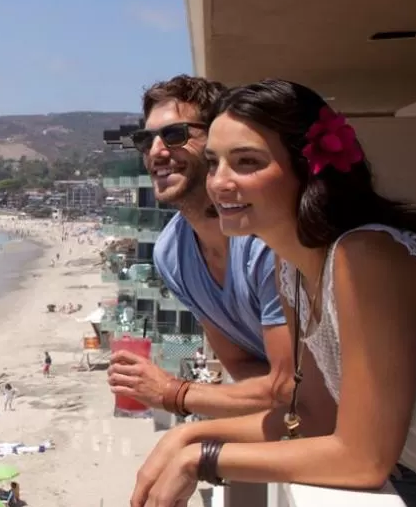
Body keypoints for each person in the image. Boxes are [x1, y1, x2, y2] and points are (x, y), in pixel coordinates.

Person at [129, 79, 416, 507]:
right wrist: (183, 440)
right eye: (218, 163)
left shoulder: (366, 258)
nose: (222, 182)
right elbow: (313, 416)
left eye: (246, 162)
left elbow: (361, 458)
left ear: (308, 168)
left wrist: (203, 458)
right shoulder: (294, 271)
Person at [108, 75, 321, 428]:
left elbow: (288, 385)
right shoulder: (171, 254)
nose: (157, 151)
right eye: (146, 140)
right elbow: (240, 364)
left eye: (175, 135)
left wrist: (173, 392)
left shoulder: (267, 244)